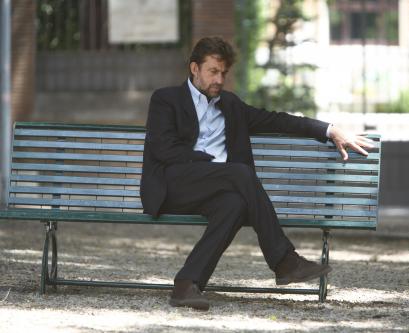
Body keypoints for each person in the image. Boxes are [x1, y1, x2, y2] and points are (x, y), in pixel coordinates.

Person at [140, 36, 373, 311]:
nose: (219, 79)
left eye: (223, 73)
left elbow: (278, 120)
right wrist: (211, 164)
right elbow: (163, 149)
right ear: (195, 68)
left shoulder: (231, 106)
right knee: (238, 173)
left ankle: (186, 284)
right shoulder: (166, 99)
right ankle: (284, 261)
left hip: (215, 188)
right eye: (213, 71)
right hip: (173, 186)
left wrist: (329, 130)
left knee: (235, 205)